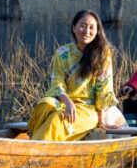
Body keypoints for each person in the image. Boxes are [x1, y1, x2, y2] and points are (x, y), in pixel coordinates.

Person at [28, 9, 119, 141]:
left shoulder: (103, 54)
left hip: (87, 109)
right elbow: (57, 82)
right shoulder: (63, 52)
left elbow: (103, 90)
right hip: (64, 102)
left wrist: (101, 121)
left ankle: (37, 148)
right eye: (82, 26)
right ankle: (34, 138)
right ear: (74, 28)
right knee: (45, 104)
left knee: (57, 118)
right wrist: (68, 102)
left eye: (91, 27)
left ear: (97, 31)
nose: (87, 31)